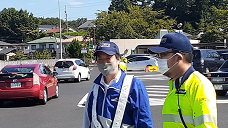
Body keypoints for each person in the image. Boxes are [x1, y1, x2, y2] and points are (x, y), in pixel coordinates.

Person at [148, 33, 217, 128]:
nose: (159, 59)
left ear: (178, 57)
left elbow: (206, 125)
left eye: (163, 54)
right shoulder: (176, 83)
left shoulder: (199, 85)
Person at [83, 41, 153, 128]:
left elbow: (144, 122)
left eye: (108, 58)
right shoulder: (95, 88)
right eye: (100, 59)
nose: (104, 63)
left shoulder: (135, 86)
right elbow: (88, 120)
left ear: (118, 59)